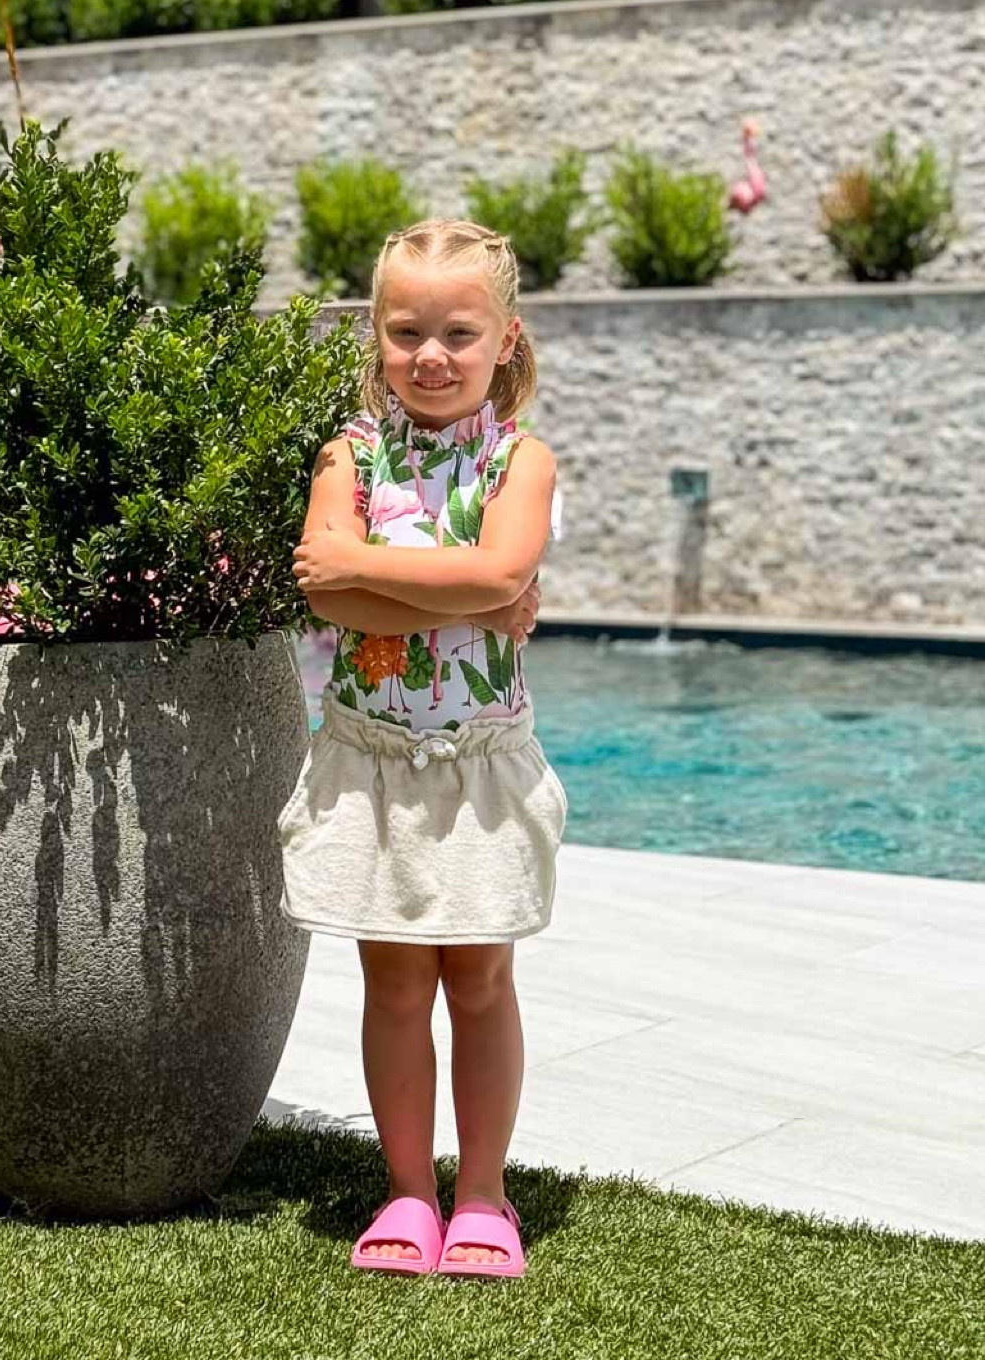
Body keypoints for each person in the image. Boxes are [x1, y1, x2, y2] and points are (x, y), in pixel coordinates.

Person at [283, 217, 566, 1280]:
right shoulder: (347, 457)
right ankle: (407, 1189)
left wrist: (381, 567)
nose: (431, 355)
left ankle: (484, 1194)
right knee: (395, 981)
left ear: (504, 339)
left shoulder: (520, 460)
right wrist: (476, 597)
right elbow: (327, 592)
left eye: (458, 332)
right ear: (377, 335)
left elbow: (500, 569)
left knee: (480, 976)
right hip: (374, 759)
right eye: (406, 332)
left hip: (480, 761)